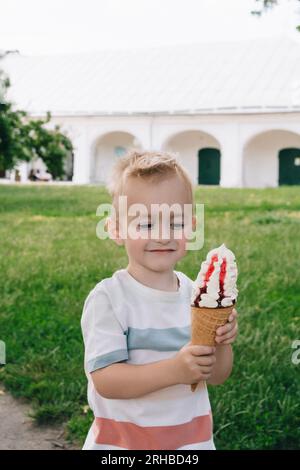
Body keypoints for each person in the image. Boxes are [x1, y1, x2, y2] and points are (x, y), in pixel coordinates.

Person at [81, 150, 238, 450]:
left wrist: (224, 341)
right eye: (146, 224)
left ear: (191, 227)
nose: (164, 235)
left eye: (175, 223)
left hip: (190, 444)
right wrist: (174, 371)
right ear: (116, 230)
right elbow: (107, 381)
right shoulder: (109, 299)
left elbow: (217, 375)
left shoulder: (197, 296)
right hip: (124, 446)